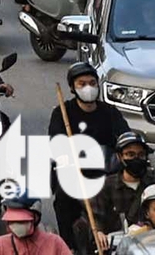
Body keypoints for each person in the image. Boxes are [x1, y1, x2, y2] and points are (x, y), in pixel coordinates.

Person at [46, 61, 131, 245]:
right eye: (82, 84)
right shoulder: (63, 112)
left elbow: (125, 136)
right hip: (75, 171)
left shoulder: (110, 112)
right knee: (64, 196)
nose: (88, 88)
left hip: (107, 171)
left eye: (92, 83)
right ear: (73, 88)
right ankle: (69, 245)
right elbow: (56, 142)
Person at [0, 198, 72, 255]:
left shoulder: (55, 243)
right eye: (12, 221)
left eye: (22, 221)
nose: (16, 225)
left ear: (36, 218)